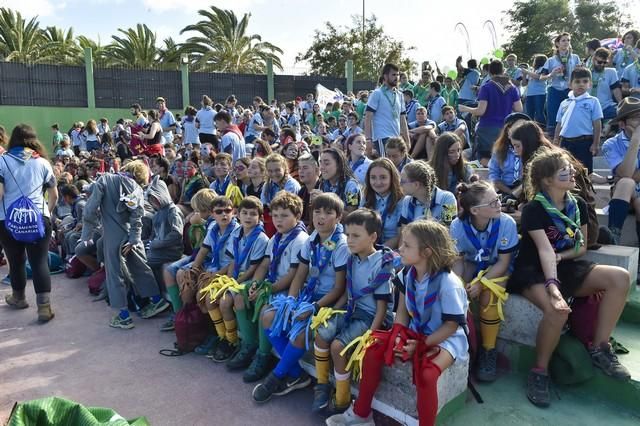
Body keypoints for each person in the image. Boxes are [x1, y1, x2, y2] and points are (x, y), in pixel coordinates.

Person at [507, 148, 630, 408]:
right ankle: (539, 371)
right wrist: (553, 290)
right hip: (534, 269)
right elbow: (544, 251)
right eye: (564, 171)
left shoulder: (579, 205)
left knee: (620, 278)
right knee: (557, 310)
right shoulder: (534, 209)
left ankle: (599, 347)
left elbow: (582, 246)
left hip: (564, 264)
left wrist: (563, 258)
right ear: (547, 180)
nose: (572, 172)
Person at [326, 220, 468, 426]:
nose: (399, 248)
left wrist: (422, 344)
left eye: (407, 245)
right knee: (373, 349)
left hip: (444, 338)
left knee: (427, 375)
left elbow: (451, 326)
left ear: (427, 252)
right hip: (415, 330)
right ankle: (362, 413)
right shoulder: (407, 274)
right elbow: (401, 311)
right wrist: (399, 334)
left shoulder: (449, 283)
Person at [253, 193, 348, 403]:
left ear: (339, 217)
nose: (321, 217)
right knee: (268, 316)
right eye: (317, 212)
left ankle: (276, 376)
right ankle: (297, 374)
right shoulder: (312, 239)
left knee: (300, 331)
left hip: (328, 302)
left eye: (328, 213)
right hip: (308, 294)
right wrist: (290, 301)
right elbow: (300, 274)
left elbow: (340, 288)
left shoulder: (341, 245)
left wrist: (313, 307)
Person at [312, 208, 395, 413]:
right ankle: (322, 384)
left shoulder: (383, 264)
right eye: (348, 235)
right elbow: (348, 294)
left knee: (337, 346)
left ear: (373, 237)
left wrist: (370, 335)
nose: (349, 240)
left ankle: (342, 398)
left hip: (371, 317)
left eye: (356, 236)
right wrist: (333, 312)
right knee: (321, 334)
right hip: (352, 309)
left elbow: (382, 308)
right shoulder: (352, 258)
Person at [80, 160, 169, 329]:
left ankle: (123, 316)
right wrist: (134, 238)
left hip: (113, 236)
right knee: (141, 268)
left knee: (115, 275)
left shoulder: (106, 179)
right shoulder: (136, 188)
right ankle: (156, 301)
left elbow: (90, 208)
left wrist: (87, 233)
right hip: (131, 235)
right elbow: (138, 215)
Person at [234, 191, 309, 383]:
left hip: (290, 289)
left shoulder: (299, 239)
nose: (278, 220)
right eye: (275, 215)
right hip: (271, 283)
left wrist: (267, 290)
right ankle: (249, 345)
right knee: (240, 295)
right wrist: (256, 284)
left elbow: (293, 275)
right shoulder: (276, 237)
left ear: (297, 216)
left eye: (284, 215)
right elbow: (265, 264)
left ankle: (264, 355)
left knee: (264, 305)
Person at [450, 181, 518, 382]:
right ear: (475, 210)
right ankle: (464, 345)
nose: (499, 204)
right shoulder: (457, 226)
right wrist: (461, 283)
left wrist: (481, 283)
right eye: (493, 202)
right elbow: (458, 262)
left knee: (489, 295)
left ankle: (489, 350)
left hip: (497, 267)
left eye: (498, 199)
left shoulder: (506, 223)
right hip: (472, 265)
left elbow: (504, 262)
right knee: (457, 290)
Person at [0, 124, 58, 322]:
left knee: (16, 261)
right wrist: (46, 213)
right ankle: (44, 307)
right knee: (39, 261)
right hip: (38, 217)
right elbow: (54, 194)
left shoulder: (2, 161)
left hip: (7, 219)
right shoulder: (42, 162)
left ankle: (19, 298)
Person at [214, 196, 270, 364]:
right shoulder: (237, 233)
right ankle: (227, 338)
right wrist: (228, 279)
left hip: (250, 278)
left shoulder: (261, 238)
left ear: (260, 218)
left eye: (253, 214)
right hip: (237, 276)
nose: (248, 217)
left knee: (225, 302)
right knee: (213, 297)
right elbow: (232, 261)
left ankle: (238, 342)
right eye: (244, 213)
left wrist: (233, 284)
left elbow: (253, 269)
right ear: (238, 214)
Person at [459, 60, 522, 166]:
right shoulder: (512, 88)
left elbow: (481, 111)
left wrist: (465, 109)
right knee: (503, 155)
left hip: (487, 128)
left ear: (489, 72)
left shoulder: (486, 87)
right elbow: (519, 109)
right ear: (503, 70)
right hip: (505, 128)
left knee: (484, 157)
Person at [602, 97, 640, 244]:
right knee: (625, 182)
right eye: (637, 118)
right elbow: (625, 174)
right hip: (624, 196)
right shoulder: (610, 144)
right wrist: (635, 141)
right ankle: (614, 235)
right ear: (622, 124)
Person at [553, 68, 603, 173]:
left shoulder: (593, 101)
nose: (581, 84)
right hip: (566, 142)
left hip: (584, 142)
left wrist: (596, 143)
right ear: (570, 84)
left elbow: (597, 124)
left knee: (585, 172)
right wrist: (556, 141)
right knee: (566, 171)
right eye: (577, 81)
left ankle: (586, 189)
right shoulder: (565, 103)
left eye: (585, 81)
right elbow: (559, 124)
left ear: (590, 84)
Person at [145, 176, 184, 290]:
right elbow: (153, 236)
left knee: (144, 262)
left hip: (171, 251)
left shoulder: (173, 211)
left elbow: (177, 234)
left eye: (154, 198)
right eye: (151, 199)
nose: (153, 202)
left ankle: (155, 295)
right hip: (158, 249)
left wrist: (158, 244)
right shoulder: (157, 214)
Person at [539, 33, 582, 134]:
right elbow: (541, 77)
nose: (566, 42)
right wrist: (552, 74)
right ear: (557, 44)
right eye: (563, 40)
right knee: (553, 118)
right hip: (554, 90)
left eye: (568, 40)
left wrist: (579, 70)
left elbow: (580, 74)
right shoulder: (551, 60)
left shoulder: (575, 58)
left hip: (570, 90)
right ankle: (553, 140)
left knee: (570, 116)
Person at [365, 63, 411, 157]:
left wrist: (407, 140)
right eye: (393, 75)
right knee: (387, 168)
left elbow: (402, 119)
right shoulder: (377, 93)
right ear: (385, 76)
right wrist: (368, 139)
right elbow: (368, 117)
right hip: (382, 138)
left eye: (398, 75)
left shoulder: (400, 95)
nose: (397, 77)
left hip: (396, 139)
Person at [399, 160, 458, 227]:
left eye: (402, 181)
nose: (399, 184)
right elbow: (404, 232)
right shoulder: (407, 201)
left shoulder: (448, 198)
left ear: (416, 185)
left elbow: (448, 229)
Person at [361, 158, 404, 248]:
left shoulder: (402, 200)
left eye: (383, 177)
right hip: (368, 248)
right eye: (373, 177)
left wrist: (379, 253)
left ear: (392, 178)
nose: (378, 182)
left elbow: (401, 236)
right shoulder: (366, 197)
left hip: (391, 251)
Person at [488, 113, 529, 196]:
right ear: (508, 130)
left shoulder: (532, 148)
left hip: (528, 189)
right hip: (505, 189)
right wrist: (510, 193)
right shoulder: (499, 149)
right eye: (518, 128)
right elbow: (494, 175)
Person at [319, 148, 361, 216]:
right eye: (320, 163)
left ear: (339, 165)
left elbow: (351, 215)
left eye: (326, 163)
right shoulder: (323, 184)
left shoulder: (351, 186)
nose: (321, 167)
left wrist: (324, 201)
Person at [590, 48, 622, 120]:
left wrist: (621, 104)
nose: (602, 65)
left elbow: (616, 90)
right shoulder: (586, 72)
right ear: (593, 59)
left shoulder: (611, 72)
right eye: (599, 62)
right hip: (588, 107)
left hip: (606, 107)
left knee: (624, 113)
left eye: (605, 63)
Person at [521, 55, 548, 127]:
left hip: (540, 93)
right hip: (529, 94)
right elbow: (524, 84)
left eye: (535, 60)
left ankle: (544, 129)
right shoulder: (532, 70)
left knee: (539, 113)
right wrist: (524, 75)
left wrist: (527, 72)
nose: (534, 62)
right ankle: (530, 130)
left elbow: (539, 77)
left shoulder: (544, 69)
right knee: (529, 114)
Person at [297, 153, 321, 229]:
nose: (301, 171)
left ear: (316, 170)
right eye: (299, 168)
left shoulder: (322, 189)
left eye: (305, 168)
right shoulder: (302, 191)